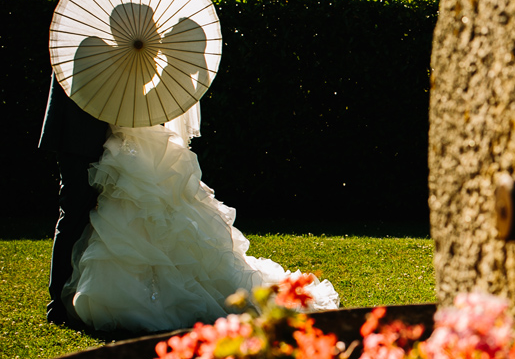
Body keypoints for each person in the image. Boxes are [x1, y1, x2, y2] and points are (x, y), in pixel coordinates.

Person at [59, 104, 340, 333]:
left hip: (132, 139)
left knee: (144, 209)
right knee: (139, 209)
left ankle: (143, 294)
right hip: (128, 140)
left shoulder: (120, 64)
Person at [39, 73, 110, 326]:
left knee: (99, 218)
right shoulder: (83, 40)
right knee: (73, 215)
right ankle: (59, 302)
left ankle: (86, 295)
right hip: (78, 137)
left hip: (101, 138)